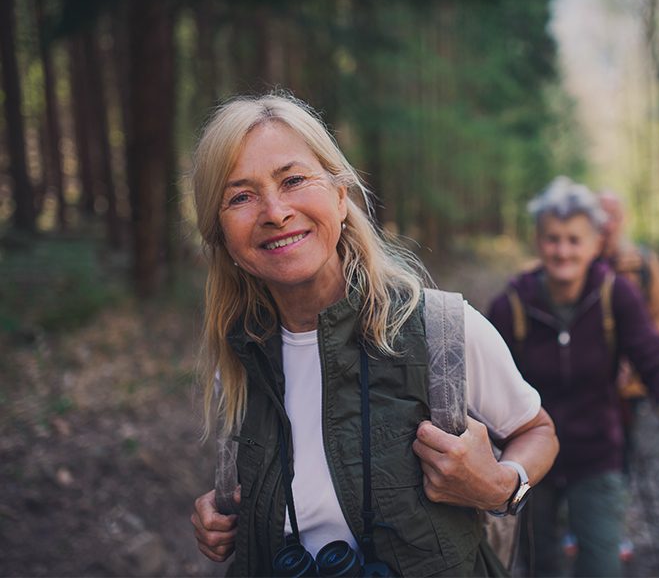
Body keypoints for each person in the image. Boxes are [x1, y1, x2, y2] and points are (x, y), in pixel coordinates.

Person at [188, 93, 559, 577]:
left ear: (340, 196)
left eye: (294, 180)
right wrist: (230, 517)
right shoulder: (239, 361)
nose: (275, 212)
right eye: (241, 196)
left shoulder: (441, 331)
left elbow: (538, 431)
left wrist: (501, 486)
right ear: (221, 233)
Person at [487, 176, 659, 577]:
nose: (563, 250)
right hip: (528, 459)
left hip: (598, 454)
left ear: (594, 244)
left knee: (601, 565)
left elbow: (654, 358)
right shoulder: (512, 305)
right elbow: (484, 383)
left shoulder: (616, 294)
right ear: (538, 241)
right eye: (553, 239)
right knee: (540, 565)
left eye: (574, 240)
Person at [597, 190, 659, 476]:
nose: (606, 224)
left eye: (613, 216)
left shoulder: (642, 264)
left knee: (619, 454)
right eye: (600, 216)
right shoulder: (574, 261)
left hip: (628, 389)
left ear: (624, 220)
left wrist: (633, 366)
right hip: (583, 384)